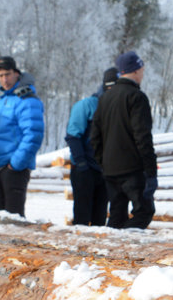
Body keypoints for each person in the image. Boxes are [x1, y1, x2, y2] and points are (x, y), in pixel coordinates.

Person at [90, 52, 157, 229]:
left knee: (116, 216)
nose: (143, 74)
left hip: (111, 169)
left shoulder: (105, 98)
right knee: (144, 212)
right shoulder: (137, 97)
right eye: (142, 70)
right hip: (133, 168)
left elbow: (95, 136)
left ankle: (112, 244)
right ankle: (126, 241)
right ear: (135, 70)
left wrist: (103, 163)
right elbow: (142, 136)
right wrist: (150, 171)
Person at [0, 56, 44, 217]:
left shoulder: (27, 100)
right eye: (0, 76)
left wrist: (16, 163)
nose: (4, 79)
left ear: (16, 73)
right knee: (0, 218)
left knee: (14, 219)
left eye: (8, 74)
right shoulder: (2, 101)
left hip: (14, 168)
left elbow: (33, 134)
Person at [65, 67, 118, 226]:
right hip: (84, 167)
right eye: (110, 87)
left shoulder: (119, 108)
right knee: (82, 216)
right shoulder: (87, 105)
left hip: (105, 170)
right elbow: (73, 136)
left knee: (100, 218)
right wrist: (81, 164)